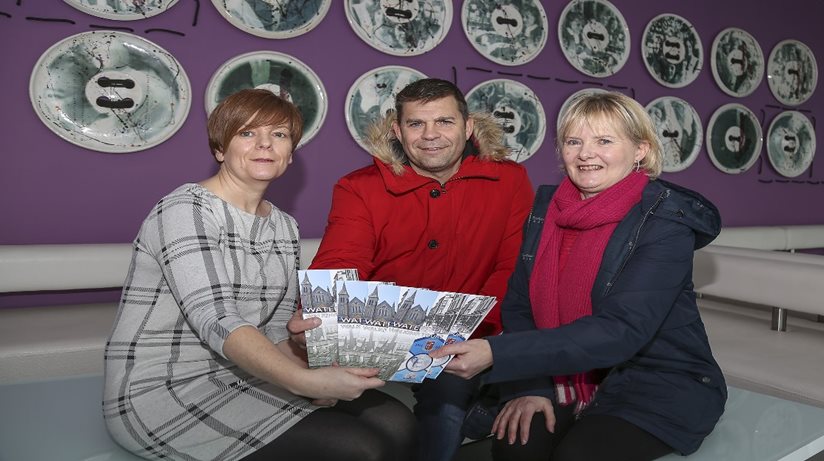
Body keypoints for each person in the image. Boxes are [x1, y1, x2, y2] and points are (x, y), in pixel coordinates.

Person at [103, 88, 416, 461]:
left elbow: (275, 329)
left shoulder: (284, 225)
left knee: (400, 423)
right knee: (360, 448)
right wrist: (304, 380)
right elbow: (216, 319)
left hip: (247, 372)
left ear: (289, 155)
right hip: (164, 390)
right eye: (247, 133)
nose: (264, 143)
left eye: (279, 134)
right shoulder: (185, 209)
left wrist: (310, 352)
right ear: (221, 149)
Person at [432, 91, 727, 461]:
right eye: (574, 141)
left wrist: (495, 352)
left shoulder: (664, 225)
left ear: (640, 150)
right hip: (563, 374)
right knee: (516, 448)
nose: (586, 154)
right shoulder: (546, 212)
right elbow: (521, 306)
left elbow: (621, 331)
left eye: (604, 140)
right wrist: (531, 385)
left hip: (657, 380)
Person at [289, 78, 535, 461]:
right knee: (445, 399)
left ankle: (481, 407)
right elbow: (340, 259)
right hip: (382, 336)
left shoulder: (510, 179)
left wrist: (475, 335)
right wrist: (323, 319)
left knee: (450, 396)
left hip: (469, 334)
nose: (430, 135)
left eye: (444, 122)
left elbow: (510, 268)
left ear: (468, 127)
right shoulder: (360, 188)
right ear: (398, 131)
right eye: (416, 124)